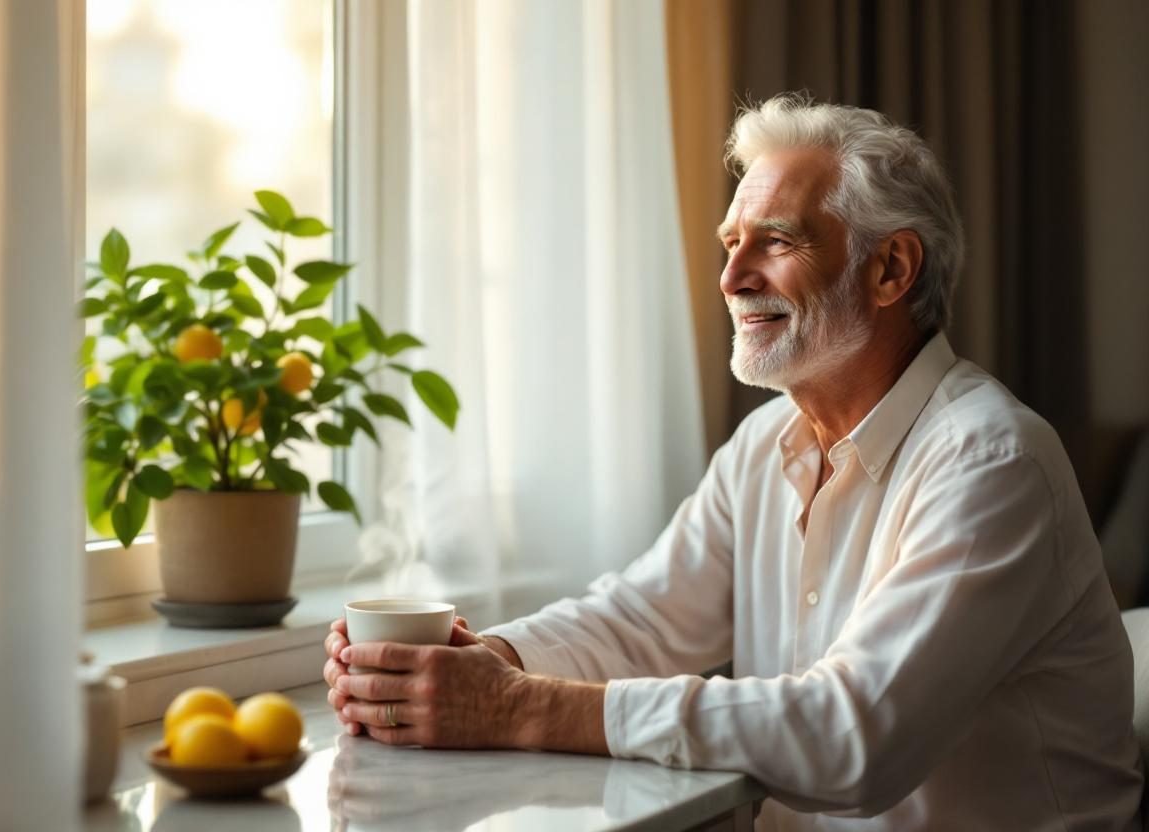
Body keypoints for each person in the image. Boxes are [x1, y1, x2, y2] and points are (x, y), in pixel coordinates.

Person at [321, 95, 1144, 828]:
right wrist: (481, 661)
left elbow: (850, 739)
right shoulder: (764, 444)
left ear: (891, 268)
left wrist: (518, 709)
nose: (731, 277)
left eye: (775, 241)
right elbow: (642, 618)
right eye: (730, 242)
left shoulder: (992, 462)